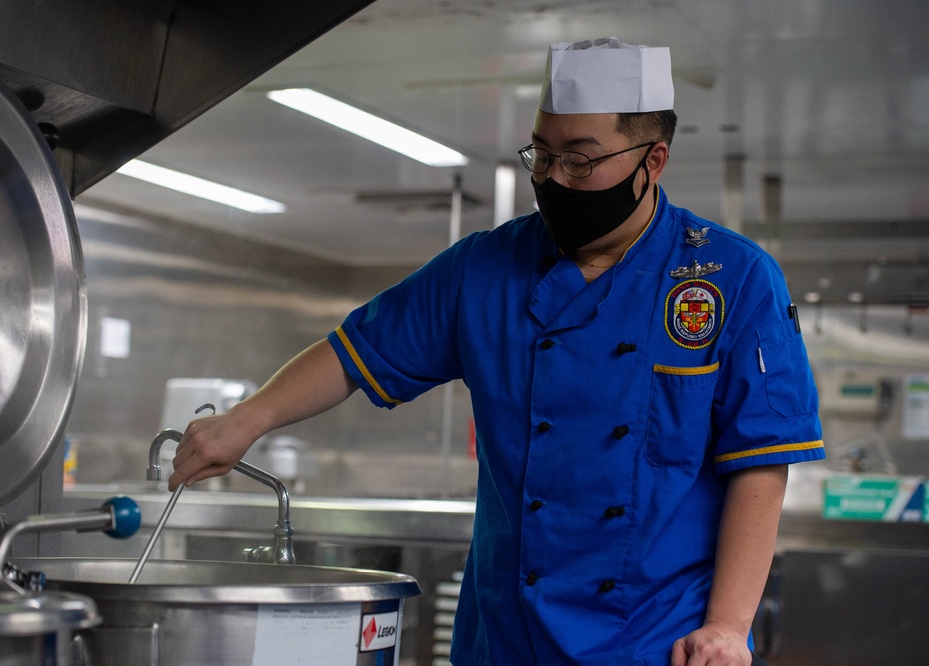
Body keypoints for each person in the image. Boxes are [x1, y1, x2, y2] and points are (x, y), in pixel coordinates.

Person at [170, 37, 824, 666]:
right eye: (541, 154)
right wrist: (245, 419)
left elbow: (760, 460)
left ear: (652, 162)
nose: (553, 177)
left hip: (655, 641)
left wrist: (728, 627)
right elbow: (353, 352)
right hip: (507, 639)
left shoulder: (728, 279)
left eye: (580, 159)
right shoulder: (484, 269)